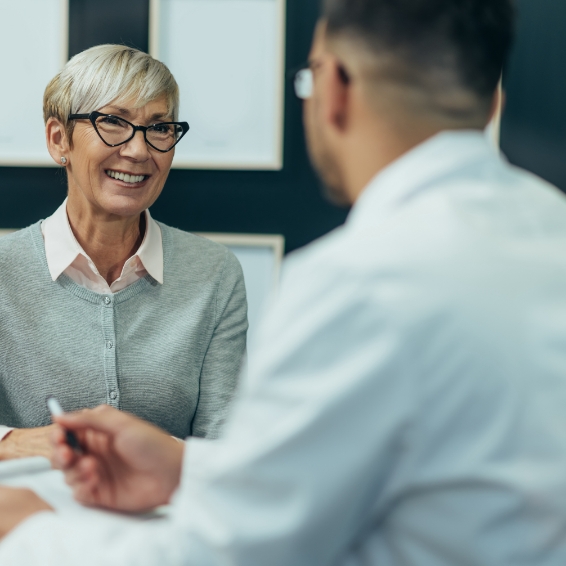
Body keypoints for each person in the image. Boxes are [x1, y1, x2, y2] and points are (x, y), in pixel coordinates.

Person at [3, 0, 566, 563]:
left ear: (337, 89)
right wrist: (184, 468)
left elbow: (238, 547)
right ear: (494, 99)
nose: (137, 148)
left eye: (310, 77)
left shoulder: (355, 281)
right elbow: (316, 473)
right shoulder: (551, 232)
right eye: (113, 123)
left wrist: (33, 531)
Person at [0, 45, 248, 460]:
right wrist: (19, 443)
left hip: (166, 522)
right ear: (58, 138)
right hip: (30, 519)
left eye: (160, 128)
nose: (138, 150)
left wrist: (153, 452)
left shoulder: (215, 274)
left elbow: (228, 453)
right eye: (113, 122)